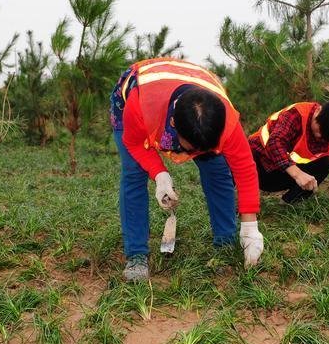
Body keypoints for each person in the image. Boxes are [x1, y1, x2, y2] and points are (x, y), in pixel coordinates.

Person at [110, 57, 263, 281]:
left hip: (191, 84)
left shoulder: (225, 120)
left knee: (217, 167)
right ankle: (136, 255)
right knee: (134, 172)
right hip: (135, 93)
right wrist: (160, 175)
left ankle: (225, 243)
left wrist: (250, 228)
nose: (194, 154)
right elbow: (134, 144)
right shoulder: (140, 106)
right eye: (191, 148)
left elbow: (245, 168)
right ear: (173, 126)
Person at [249, 100, 329, 204]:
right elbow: (275, 143)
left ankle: (290, 203)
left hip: (279, 175)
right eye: (319, 129)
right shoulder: (297, 114)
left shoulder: (328, 131)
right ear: (318, 111)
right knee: (239, 159)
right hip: (255, 168)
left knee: (326, 163)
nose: (319, 135)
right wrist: (298, 174)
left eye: (325, 136)